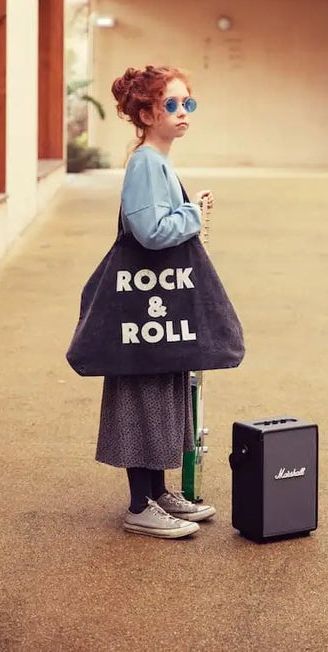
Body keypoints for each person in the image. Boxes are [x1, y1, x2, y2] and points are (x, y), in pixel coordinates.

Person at [96, 64, 217, 539]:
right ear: (145, 112)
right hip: (147, 306)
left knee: (161, 387)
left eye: (189, 102)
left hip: (154, 306)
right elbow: (150, 232)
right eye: (172, 103)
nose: (183, 111)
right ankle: (140, 505)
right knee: (144, 392)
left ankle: (159, 494)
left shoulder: (158, 160)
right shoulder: (147, 162)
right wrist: (192, 211)